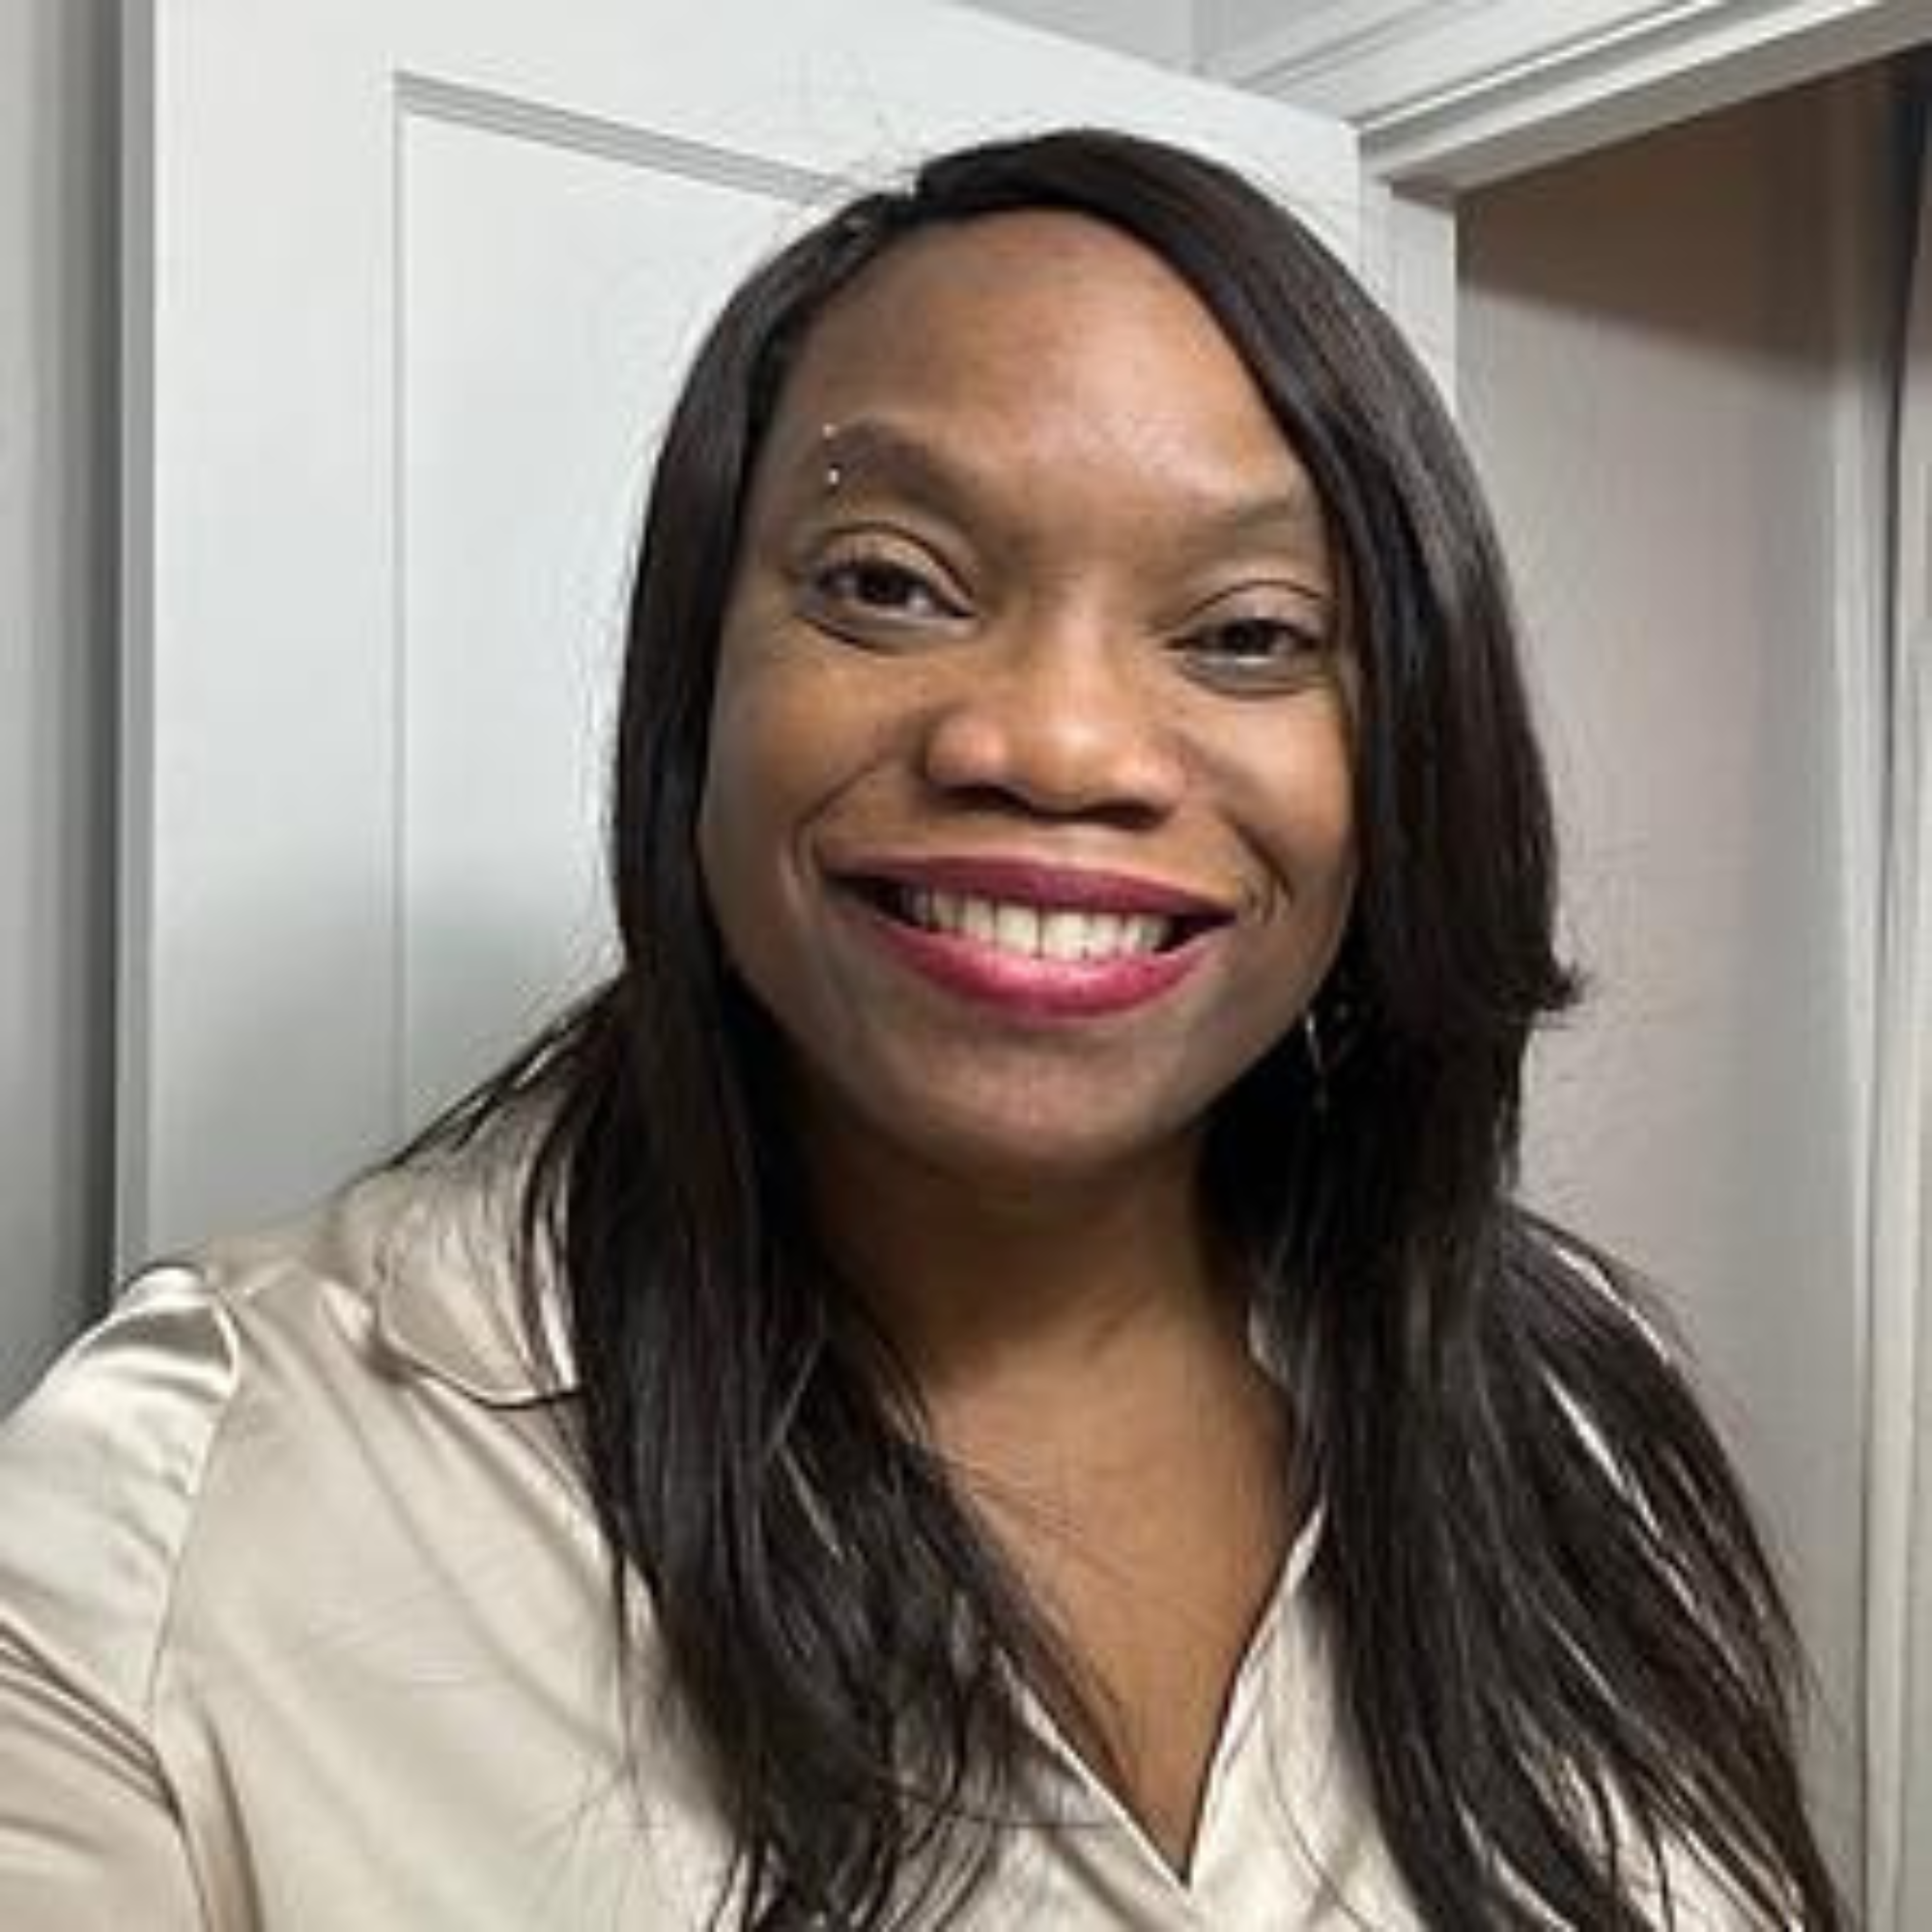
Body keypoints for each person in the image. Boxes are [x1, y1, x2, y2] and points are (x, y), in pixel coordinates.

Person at [0, 128, 1842, 1929]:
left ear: (1403, 761)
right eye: (888, 581)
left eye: (1253, 633)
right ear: (690, 697)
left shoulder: (1569, 1409)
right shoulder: (183, 1509)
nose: (1050, 745)